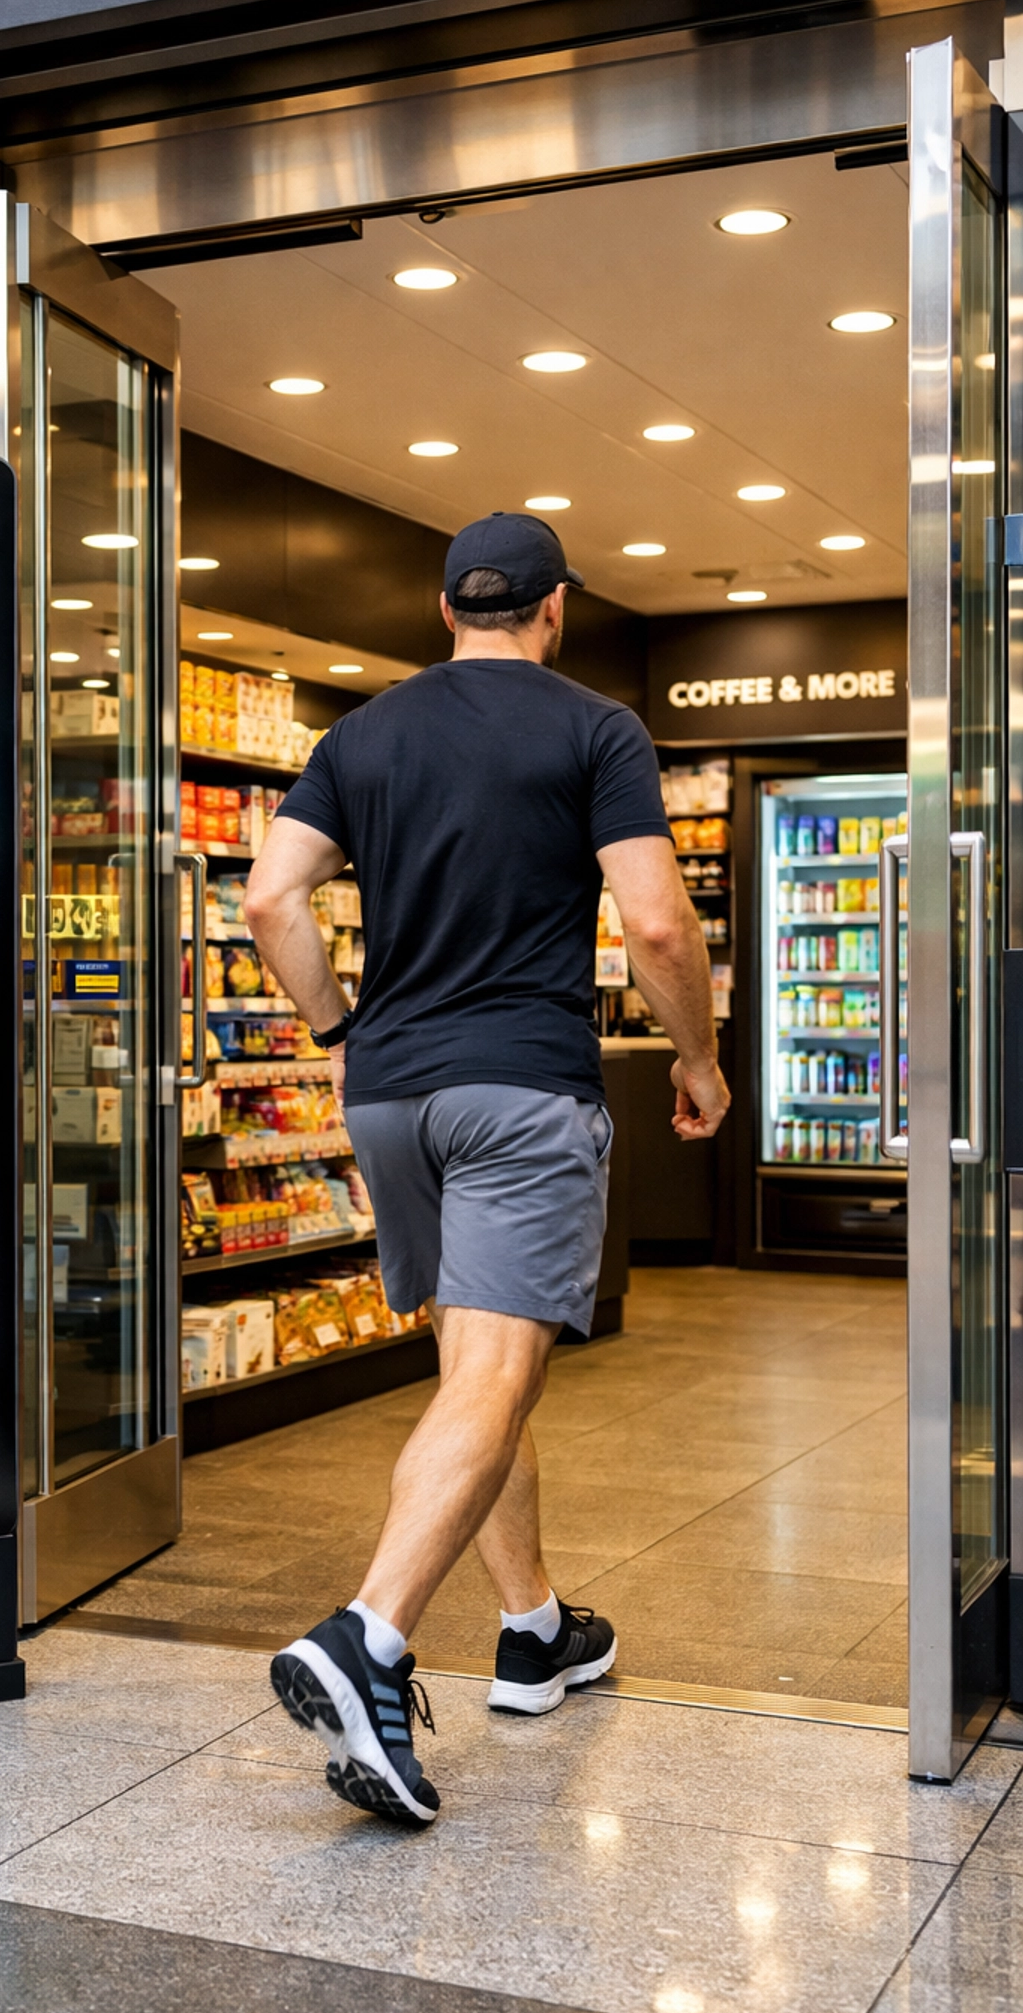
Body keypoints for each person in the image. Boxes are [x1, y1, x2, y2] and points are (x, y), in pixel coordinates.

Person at [243, 513, 730, 1827]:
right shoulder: (595, 730)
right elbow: (655, 923)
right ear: (556, 608)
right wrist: (699, 1059)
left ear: (445, 607)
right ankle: (368, 1639)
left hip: (393, 1098)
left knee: (478, 1369)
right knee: (499, 1374)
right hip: (519, 1088)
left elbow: (271, 900)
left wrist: (337, 1032)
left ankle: (533, 1630)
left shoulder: (362, 736)